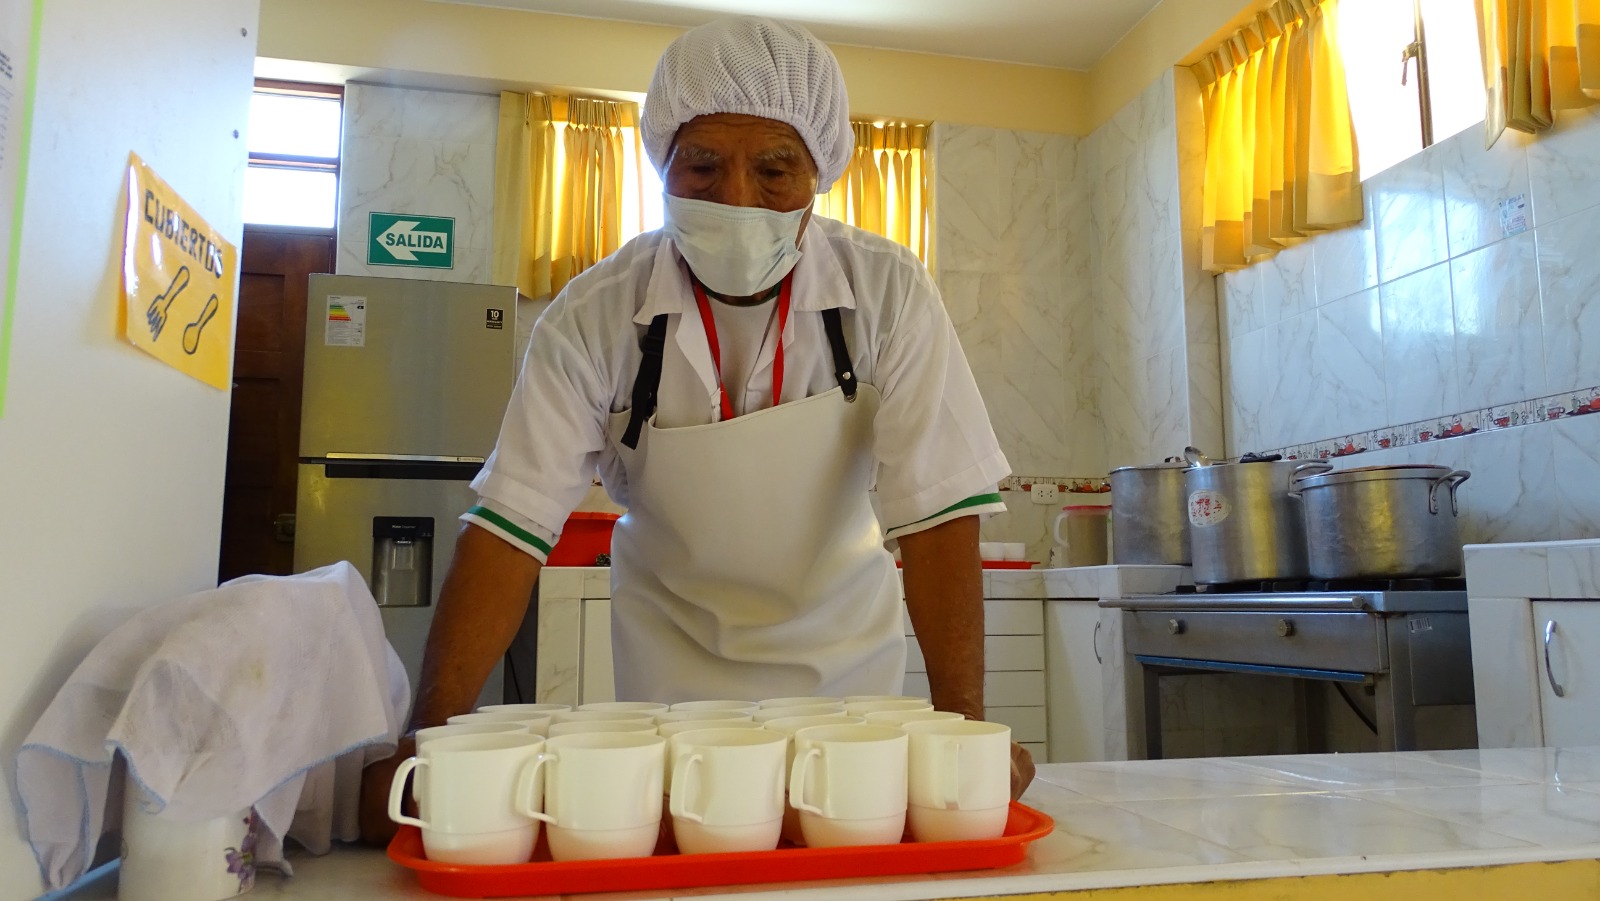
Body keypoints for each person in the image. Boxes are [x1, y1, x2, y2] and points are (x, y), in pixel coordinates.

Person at [359, 15, 1035, 845]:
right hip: (670, 707)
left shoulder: (887, 293)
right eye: (704, 166)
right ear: (663, 165)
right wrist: (429, 745)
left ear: (819, 171)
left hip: (848, 698)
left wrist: (961, 735)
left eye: (775, 168)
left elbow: (936, 518)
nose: (737, 199)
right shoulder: (592, 317)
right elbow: (509, 527)